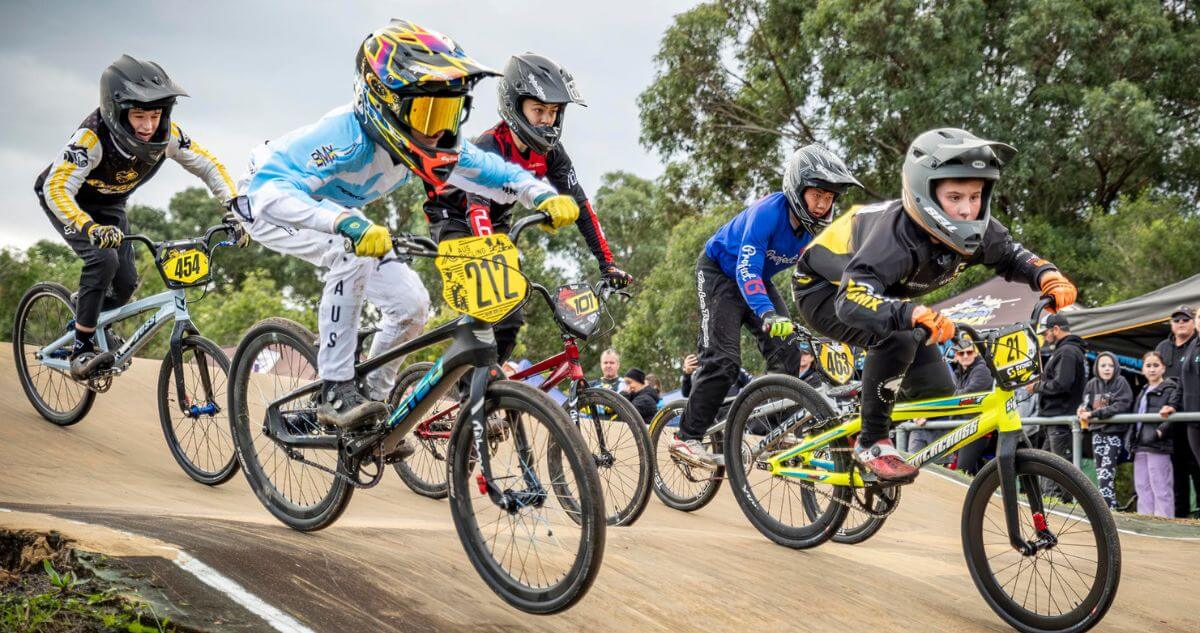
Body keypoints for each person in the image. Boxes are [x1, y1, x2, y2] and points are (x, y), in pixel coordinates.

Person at [233, 20, 580, 429]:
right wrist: (344, 223)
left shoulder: (428, 140)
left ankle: (373, 405)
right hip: (271, 206)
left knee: (411, 305)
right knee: (350, 254)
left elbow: (489, 169)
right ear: (385, 101)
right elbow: (268, 192)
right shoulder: (344, 137)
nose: (439, 130)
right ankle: (335, 390)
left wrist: (538, 194)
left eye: (449, 112)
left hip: (338, 211)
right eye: (428, 112)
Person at [792, 128, 1076, 483]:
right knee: (897, 336)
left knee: (938, 392)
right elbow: (850, 300)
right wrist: (909, 313)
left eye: (975, 196)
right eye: (955, 197)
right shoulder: (895, 238)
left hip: (878, 291)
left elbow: (1011, 255)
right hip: (824, 290)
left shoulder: (977, 227)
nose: (967, 209)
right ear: (925, 193)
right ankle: (871, 441)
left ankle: (860, 415)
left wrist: (1046, 275)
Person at [36, 55, 240, 379]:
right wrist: (89, 227)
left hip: (111, 206)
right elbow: (56, 188)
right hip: (69, 202)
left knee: (126, 283)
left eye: (155, 115)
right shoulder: (90, 139)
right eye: (139, 116)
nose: (147, 126)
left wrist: (235, 208)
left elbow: (209, 165)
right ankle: (81, 348)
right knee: (103, 260)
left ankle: (84, 313)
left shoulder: (169, 135)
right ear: (117, 111)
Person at [423, 53, 632, 364]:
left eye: (553, 111)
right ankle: (467, 386)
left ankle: (487, 383)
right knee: (490, 306)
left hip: (497, 222)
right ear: (515, 106)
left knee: (510, 322)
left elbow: (582, 207)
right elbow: (476, 208)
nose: (547, 119)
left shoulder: (552, 153)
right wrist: (490, 262)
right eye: (538, 110)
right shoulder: (491, 145)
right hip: (454, 218)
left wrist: (607, 264)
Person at [671, 144, 863, 467]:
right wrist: (767, 313)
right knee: (723, 361)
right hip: (720, 273)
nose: (822, 204)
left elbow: (829, 277)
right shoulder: (768, 213)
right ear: (797, 189)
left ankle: (774, 431)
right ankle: (686, 437)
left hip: (757, 279)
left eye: (829, 197)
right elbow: (746, 269)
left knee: (788, 353)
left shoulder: (816, 231)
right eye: (817, 194)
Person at [1155, 305, 1199, 518]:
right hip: (1179, 420)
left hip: (1193, 415)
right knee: (1177, 470)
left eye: (1186, 319)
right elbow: (1181, 382)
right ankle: (1181, 517)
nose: (1181, 323)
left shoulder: (1193, 344)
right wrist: (1171, 404)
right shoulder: (1166, 347)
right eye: (1176, 320)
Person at [1037, 313, 1088, 488]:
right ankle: (1050, 500)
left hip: (1061, 420)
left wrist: (1038, 386)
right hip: (1057, 420)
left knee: (1058, 472)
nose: (1045, 337)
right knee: (1047, 468)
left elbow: (1062, 384)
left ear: (1056, 329)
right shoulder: (1067, 350)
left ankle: (1062, 502)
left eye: (1046, 333)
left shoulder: (1067, 351)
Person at [1079, 352, 1133, 509]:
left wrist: (1094, 414)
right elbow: (1086, 404)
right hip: (1097, 433)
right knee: (1100, 472)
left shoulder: (1121, 382)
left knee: (1106, 472)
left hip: (1114, 433)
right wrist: (1082, 410)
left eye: (1111, 365)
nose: (1107, 368)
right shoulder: (1092, 384)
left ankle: (1106, 508)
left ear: (1116, 367)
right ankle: (1111, 506)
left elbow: (1121, 405)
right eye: (1103, 365)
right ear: (1097, 367)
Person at [1128, 352, 1179, 518]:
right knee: (1142, 486)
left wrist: (1159, 432)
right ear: (1142, 369)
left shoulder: (1170, 388)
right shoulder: (1143, 390)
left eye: (1156, 365)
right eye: (1148, 366)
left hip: (1158, 445)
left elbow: (1174, 413)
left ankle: (1163, 522)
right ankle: (1145, 522)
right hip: (1140, 445)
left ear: (1163, 368)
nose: (1152, 369)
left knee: (1161, 486)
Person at [951, 340, 997, 475]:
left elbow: (968, 394)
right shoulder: (961, 372)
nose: (965, 356)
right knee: (971, 473)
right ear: (956, 356)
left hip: (978, 427)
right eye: (961, 353)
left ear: (975, 353)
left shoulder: (982, 368)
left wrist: (953, 395)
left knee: (961, 472)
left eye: (969, 352)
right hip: (965, 427)